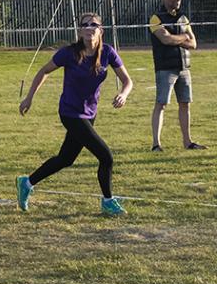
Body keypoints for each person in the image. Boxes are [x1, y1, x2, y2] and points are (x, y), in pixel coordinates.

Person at [16, 13, 133, 216]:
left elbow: (127, 81)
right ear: (79, 31)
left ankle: (26, 183)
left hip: (90, 113)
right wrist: (29, 98)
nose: (89, 28)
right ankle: (107, 201)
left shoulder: (108, 52)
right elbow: (44, 71)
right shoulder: (69, 53)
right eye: (85, 25)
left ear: (101, 31)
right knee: (106, 157)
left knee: (65, 159)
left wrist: (123, 94)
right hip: (70, 113)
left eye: (94, 25)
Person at [149, 0, 204, 152]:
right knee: (161, 104)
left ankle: (188, 142)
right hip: (165, 68)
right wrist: (183, 37)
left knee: (185, 104)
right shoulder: (155, 18)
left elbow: (193, 44)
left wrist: (176, 38)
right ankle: (156, 144)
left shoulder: (183, 18)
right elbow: (165, 40)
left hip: (184, 68)